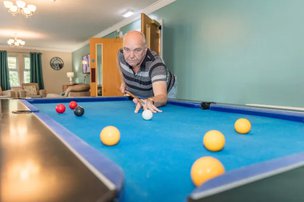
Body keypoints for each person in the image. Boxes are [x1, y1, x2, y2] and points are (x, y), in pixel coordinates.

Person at [118, 30, 176, 113]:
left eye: (137, 50)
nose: (131, 56)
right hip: (143, 90)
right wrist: (123, 81)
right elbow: (120, 66)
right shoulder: (121, 55)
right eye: (127, 49)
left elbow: (162, 96)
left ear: (145, 50)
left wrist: (151, 100)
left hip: (164, 90)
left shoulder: (156, 65)